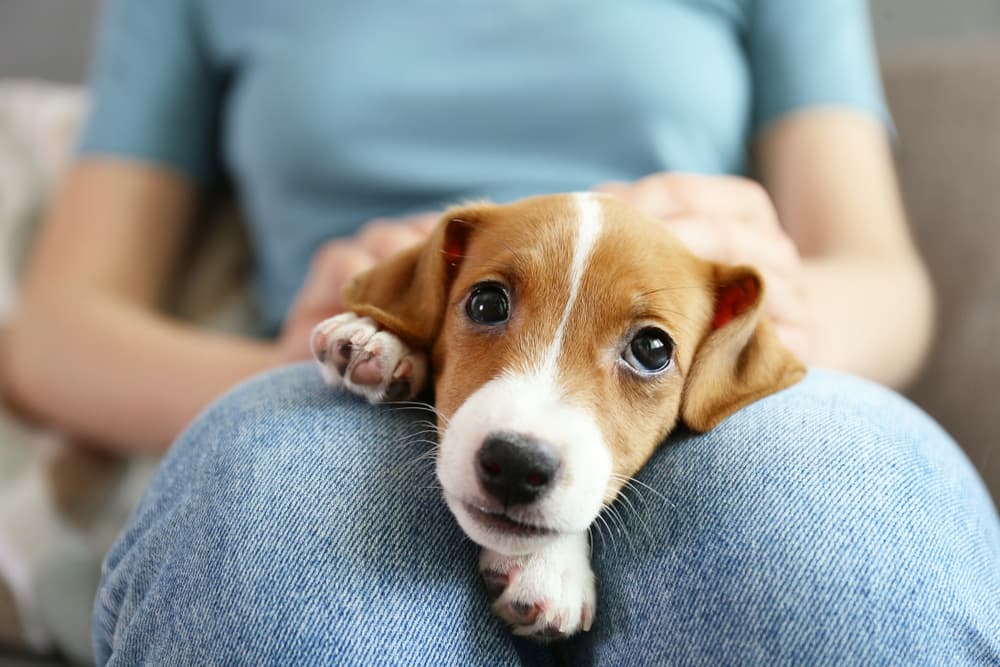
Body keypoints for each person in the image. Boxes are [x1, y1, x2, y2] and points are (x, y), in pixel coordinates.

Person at [6, 0, 999, 664]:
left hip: (716, 388)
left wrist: (769, 308)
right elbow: (54, 331)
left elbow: (885, 277)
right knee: (276, 555)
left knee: (842, 554)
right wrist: (304, 360)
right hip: (348, 386)